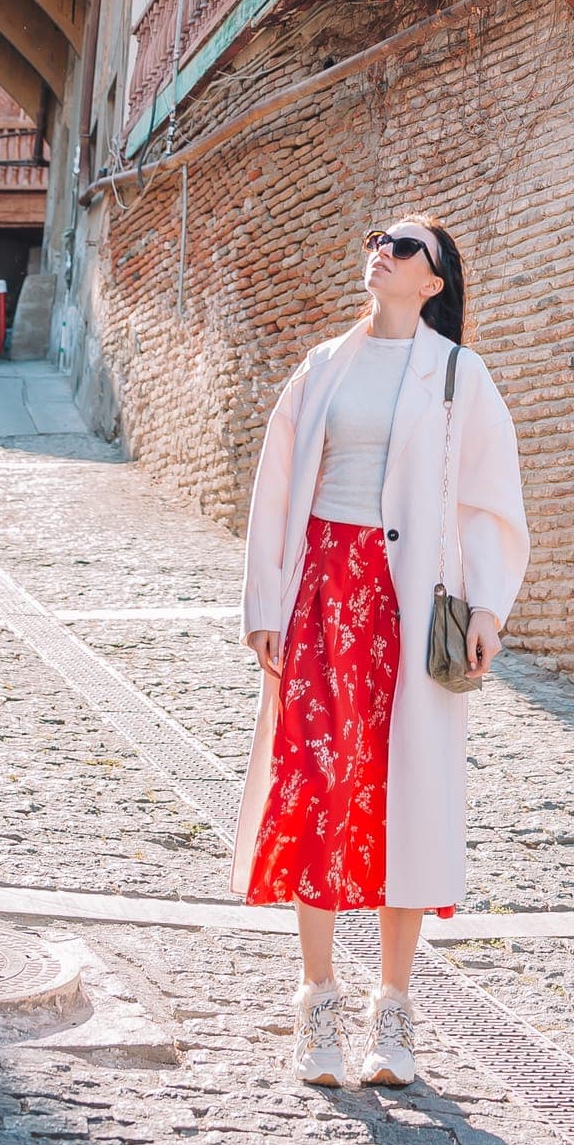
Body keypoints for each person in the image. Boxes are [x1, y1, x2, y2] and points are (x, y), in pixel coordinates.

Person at [234, 211, 529, 1090]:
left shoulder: (457, 375)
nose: (383, 252)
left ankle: (392, 1010)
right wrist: (266, 601)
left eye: (404, 247)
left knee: (409, 792)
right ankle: (317, 999)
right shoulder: (325, 366)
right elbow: (276, 481)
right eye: (378, 238)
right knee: (318, 784)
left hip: (410, 608)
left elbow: (488, 496)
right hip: (324, 593)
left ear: (431, 282)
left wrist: (489, 607)